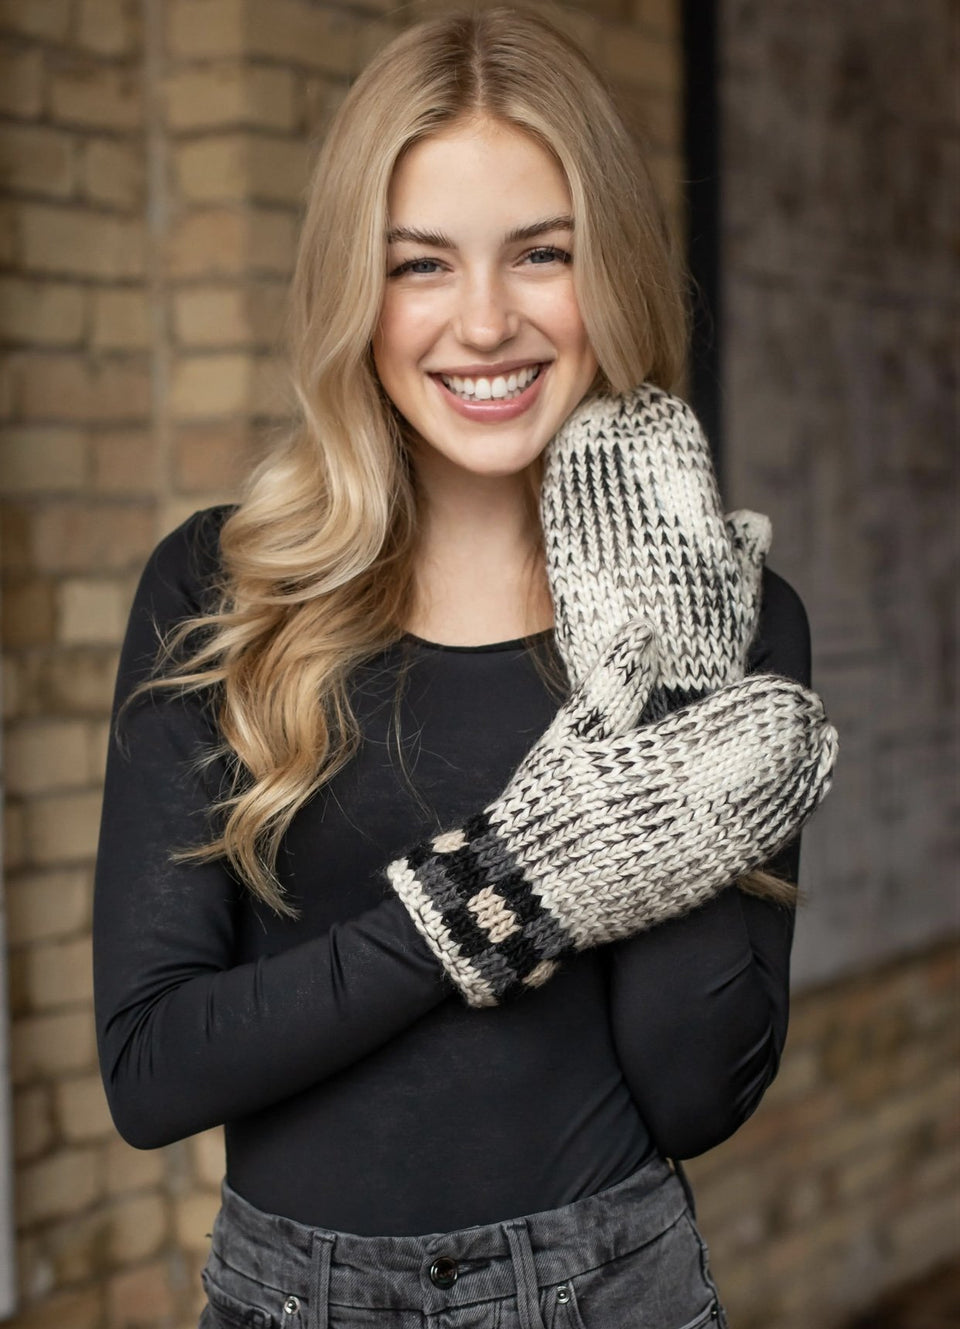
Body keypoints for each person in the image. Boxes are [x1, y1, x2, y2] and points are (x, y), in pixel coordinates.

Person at [93, 7, 838, 1327]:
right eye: (420, 265)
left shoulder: (732, 614)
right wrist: (494, 894)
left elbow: (694, 1090)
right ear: (354, 293)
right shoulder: (225, 589)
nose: (484, 321)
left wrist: (665, 672)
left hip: (613, 1291)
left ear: (607, 269)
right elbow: (152, 1068)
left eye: (541, 253)